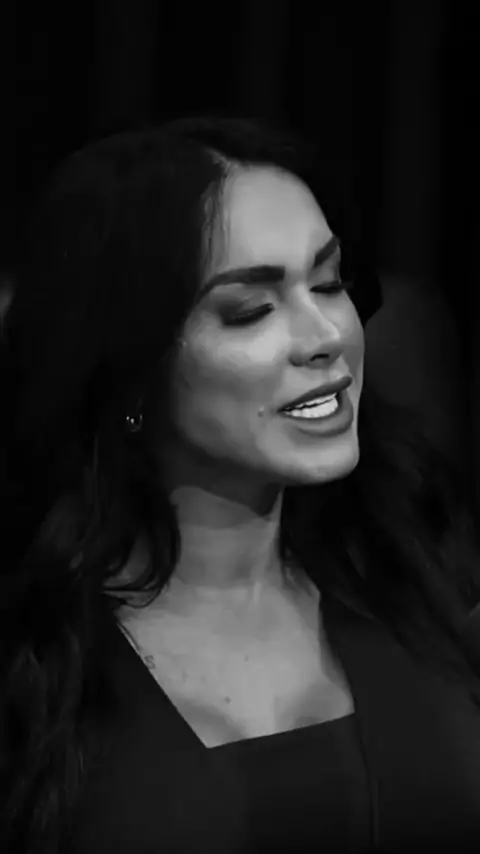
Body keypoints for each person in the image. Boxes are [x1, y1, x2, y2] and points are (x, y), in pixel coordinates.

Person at [2, 116, 480, 854]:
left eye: (329, 283)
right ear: (131, 369)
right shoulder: (34, 655)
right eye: (250, 311)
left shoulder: (424, 577)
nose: (326, 336)